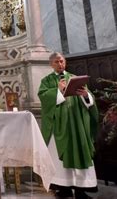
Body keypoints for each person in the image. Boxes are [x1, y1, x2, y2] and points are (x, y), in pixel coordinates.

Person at [38, 52, 99, 199]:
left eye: (62, 61)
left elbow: (90, 100)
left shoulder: (74, 78)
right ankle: (63, 188)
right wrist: (58, 90)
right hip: (59, 125)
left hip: (77, 123)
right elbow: (44, 98)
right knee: (58, 158)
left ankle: (81, 189)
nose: (60, 64)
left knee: (81, 151)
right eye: (57, 62)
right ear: (51, 64)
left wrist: (85, 95)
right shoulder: (47, 80)